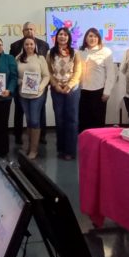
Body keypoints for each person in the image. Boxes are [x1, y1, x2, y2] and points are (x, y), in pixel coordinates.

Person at [10, 22, 50, 145]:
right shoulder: (15, 46)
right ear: (23, 31)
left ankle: (41, 136)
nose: (29, 31)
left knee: (39, 113)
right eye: (27, 29)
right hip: (21, 89)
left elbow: (46, 70)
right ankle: (18, 136)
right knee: (20, 112)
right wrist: (19, 82)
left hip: (39, 89)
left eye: (31, 29)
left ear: (35, 30)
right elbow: (13, 68)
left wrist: (41, 86)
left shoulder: (44, 45)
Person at [47, 27, 82, 160]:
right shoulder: (51, 53)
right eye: (60, 34)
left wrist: (69, 86)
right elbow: (49, 71)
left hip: (72, 89)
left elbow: (78, 71)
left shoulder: (75, 53)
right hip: (56, 89)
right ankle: (61, 148)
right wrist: (56, 85)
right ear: (56, 37)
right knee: (59, 119)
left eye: (65, 35)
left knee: (72, 120)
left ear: (69, 38)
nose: (63, 37)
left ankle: (70, 151)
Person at [16, 38, 50, 159]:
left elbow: (46, 76)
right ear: (23, 45)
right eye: (27, 44)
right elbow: (14, 75)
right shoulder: (18, 58)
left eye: (31, 44)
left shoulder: (40, 58)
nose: (29, 46)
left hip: (37, 95)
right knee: (29, 120)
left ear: (35, 45)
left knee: (35, 120)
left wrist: (40, 87)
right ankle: (29, 146)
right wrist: (20, 81)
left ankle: (34, 150)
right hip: (23, 94)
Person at [78, 28, 116, 131]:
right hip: (82, 91)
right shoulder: (80, 52)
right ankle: (83, 141)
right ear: (86, 38)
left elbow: (111, 74)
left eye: (95, 36)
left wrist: (107, 92)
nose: (93, 38)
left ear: (99, 38)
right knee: (83, 121)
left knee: (97, 122)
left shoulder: (105, 51)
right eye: (90, 36)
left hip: (98, 92)